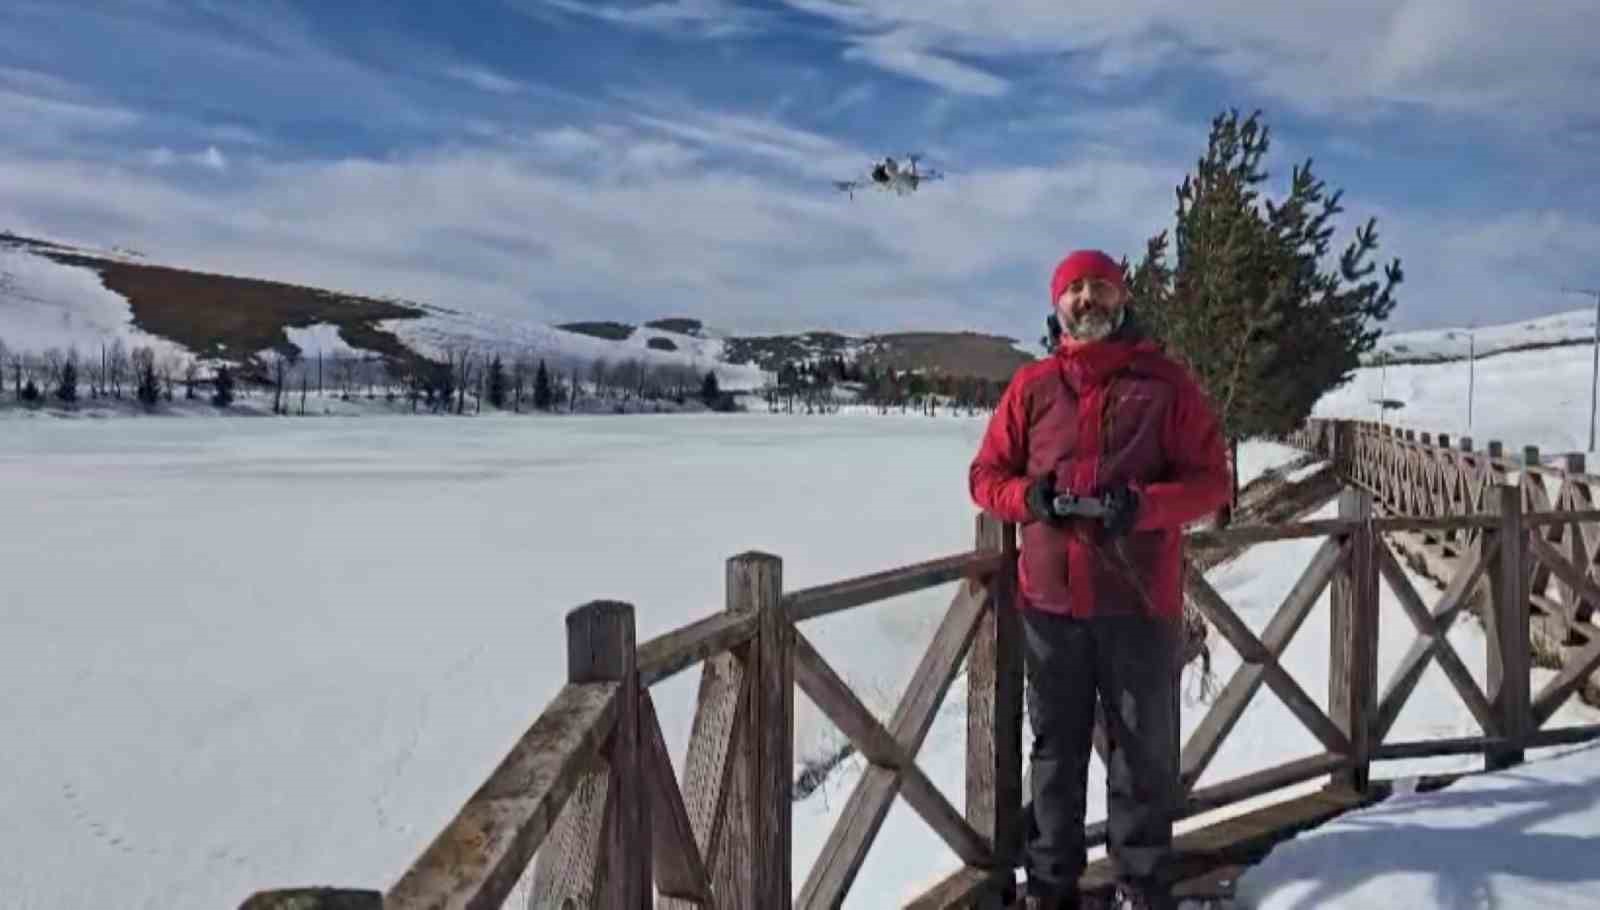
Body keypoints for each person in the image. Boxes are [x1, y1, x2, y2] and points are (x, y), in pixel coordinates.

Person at [968, 249, 1231, 909]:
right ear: (1058, 304)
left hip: (1139, 603)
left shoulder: (1167, 384)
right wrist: (1036, 499)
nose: (1088, 299)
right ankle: (1051, 889)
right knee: (1055, 756)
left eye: (1101, 287)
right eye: (1076, 289)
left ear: (1122, 299)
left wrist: (1143, 507)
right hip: (1049, 607)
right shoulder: (1030, 387)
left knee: (1142, 755)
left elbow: (1210, 484)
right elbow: (984, 478)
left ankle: (1140, 888)